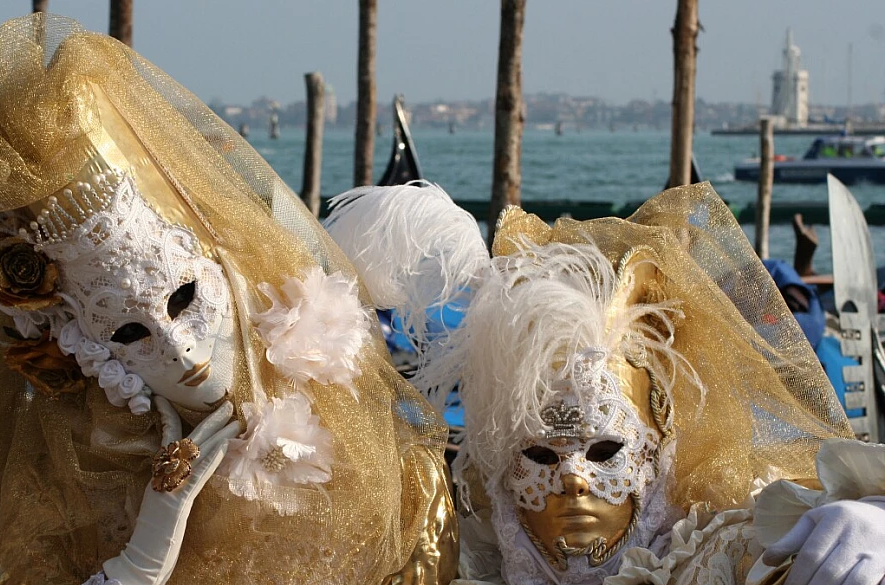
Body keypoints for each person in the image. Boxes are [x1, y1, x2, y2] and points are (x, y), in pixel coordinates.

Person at [0, 14, 455, 585]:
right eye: (128, 333)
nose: (181, 347)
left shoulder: (385, 457)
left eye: (186, 298)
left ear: (226, 271)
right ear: (84, 348)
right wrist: (140, 561)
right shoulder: (73, 486)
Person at [326, 181, 885, 585]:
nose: (573, 478)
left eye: (606, 448)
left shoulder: (714, 562)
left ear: (653, 452)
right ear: (498, 465)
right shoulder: (451, 561)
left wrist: (871, 519)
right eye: (541, 454)